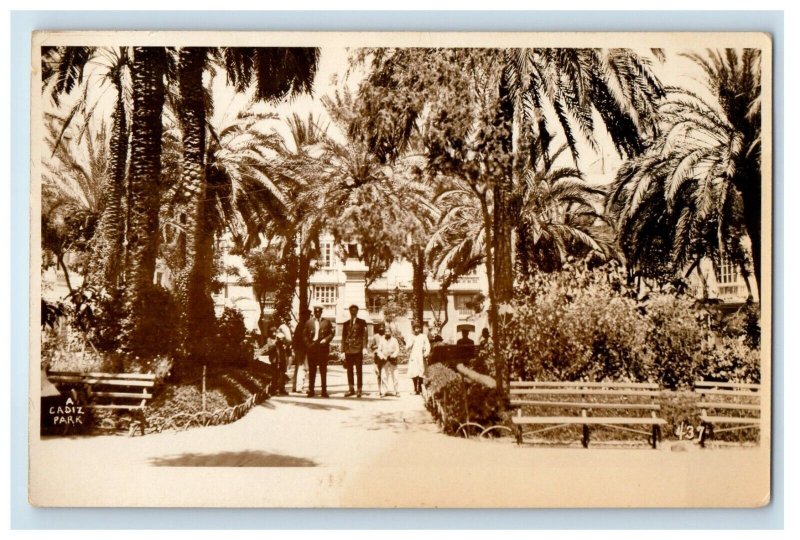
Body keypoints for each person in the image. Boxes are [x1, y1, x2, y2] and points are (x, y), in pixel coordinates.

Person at [303, 305, 334, 398]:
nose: (317, 313)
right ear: (314, 312)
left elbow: (331, 333)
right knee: (312, 371)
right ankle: (311, 390)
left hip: (322, 348)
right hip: (312, 347)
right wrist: (308, 345)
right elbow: (304, 335)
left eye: (319, 312)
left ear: (321, 312)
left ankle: (324, 391)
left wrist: (326, 340)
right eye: (316, 312)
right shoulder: (309, 322)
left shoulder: (326, 322)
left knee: (323, 370)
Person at [341, 304, 368, 398]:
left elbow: (365, 336)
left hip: (357, 349)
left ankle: (359, 390)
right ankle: (351, 389)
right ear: (349, 312)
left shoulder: (362, 322)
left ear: (357, 311)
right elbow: (343, 338)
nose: (353, 312)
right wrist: (342, 351)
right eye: (351, 310)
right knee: (349, 371)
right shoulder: (346, 323)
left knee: (359, 370)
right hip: (348, 350)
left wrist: (364, 347)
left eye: (355, 310)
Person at [406, 323, 430, 395]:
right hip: (414, 356)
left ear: (420, 329)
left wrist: (426, 353)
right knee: (414, 373)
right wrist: (411, 341)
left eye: (418, 328)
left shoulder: (423, 336)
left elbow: (428, 346)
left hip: (421, 357)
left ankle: (419, 389)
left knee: (421, 373)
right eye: (415, 328)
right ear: (414, 329)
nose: (417, 329)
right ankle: (415, 389)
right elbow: (407, 347)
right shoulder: (411, 337)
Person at [291, 309, 310, 394]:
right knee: (302, 368)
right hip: (302, 349)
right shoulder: (304, 325)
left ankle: (295, 386)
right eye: (308, 315)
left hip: (298, 349)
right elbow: (302, 339)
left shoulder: (299, 325)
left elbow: (295, 339)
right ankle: (299, 387)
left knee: (297, 368)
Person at [377, 326, 401, 397]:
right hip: (384, 359)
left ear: (391, 332)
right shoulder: (382, 340)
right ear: (384, 332)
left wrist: (393, 355)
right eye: (386, 332)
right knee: (384, 375)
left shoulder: (394, 340)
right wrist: (382, 356)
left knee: (395, 375)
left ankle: (397, 391)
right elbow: (379, 350)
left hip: (393, 359)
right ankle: (384, 391)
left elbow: (397, 349)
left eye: (388, 332)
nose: (387, 333)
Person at [369, 323, 386, 395]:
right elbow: (371, 346)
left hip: (385, 357)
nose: (381, 328)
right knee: (378, 374)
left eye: (383, 327)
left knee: (385, 374)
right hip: (377, 357)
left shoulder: (386, 336)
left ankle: (384, 390)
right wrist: (377, 347)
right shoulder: (375, 336)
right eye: (380, 327)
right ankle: (379, 390)